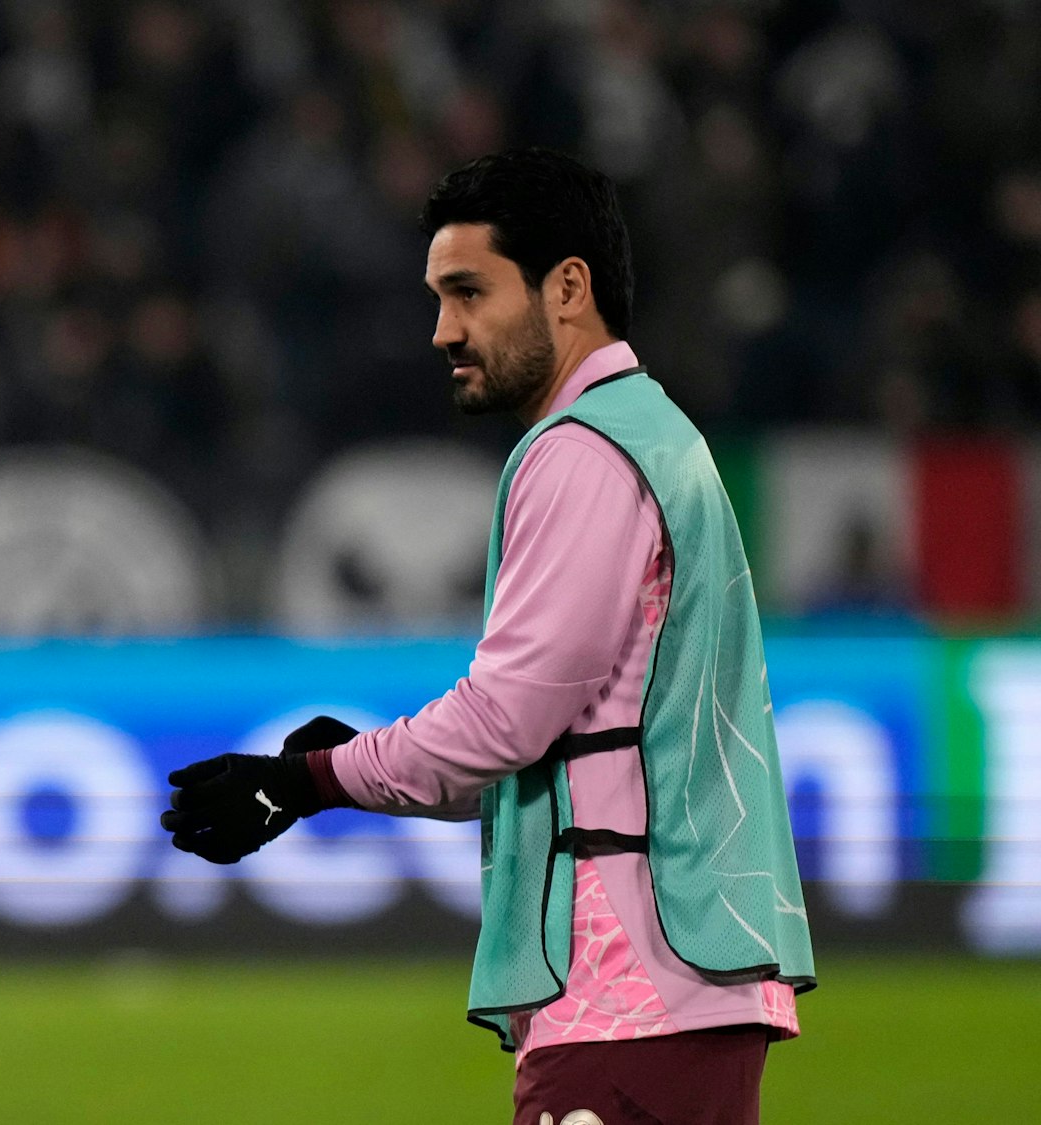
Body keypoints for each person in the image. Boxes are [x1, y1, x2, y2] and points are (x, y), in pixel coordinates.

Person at [161, 148, 814, 1125]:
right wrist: (339, 769)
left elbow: (506, 720)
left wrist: (305, 781)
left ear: (565, 288)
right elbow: (559, 745)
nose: (441, 331)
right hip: (670, 983)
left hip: (626, 990)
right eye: (436, 297)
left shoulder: (580, 452)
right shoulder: (655, 439)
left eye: (466, 292)